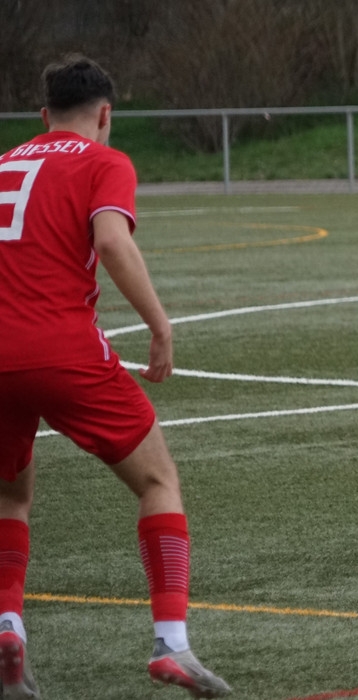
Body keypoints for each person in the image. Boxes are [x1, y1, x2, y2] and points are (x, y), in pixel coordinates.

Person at [0, 55, 231, 697]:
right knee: (157, 479)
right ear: (105, 114)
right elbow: (111, 242)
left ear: (43, 115)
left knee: (10, 497)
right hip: (62, 348)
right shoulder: (104, 161)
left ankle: (7, 627)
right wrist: (160, 325)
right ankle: (172, 645)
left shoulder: (4, 163)